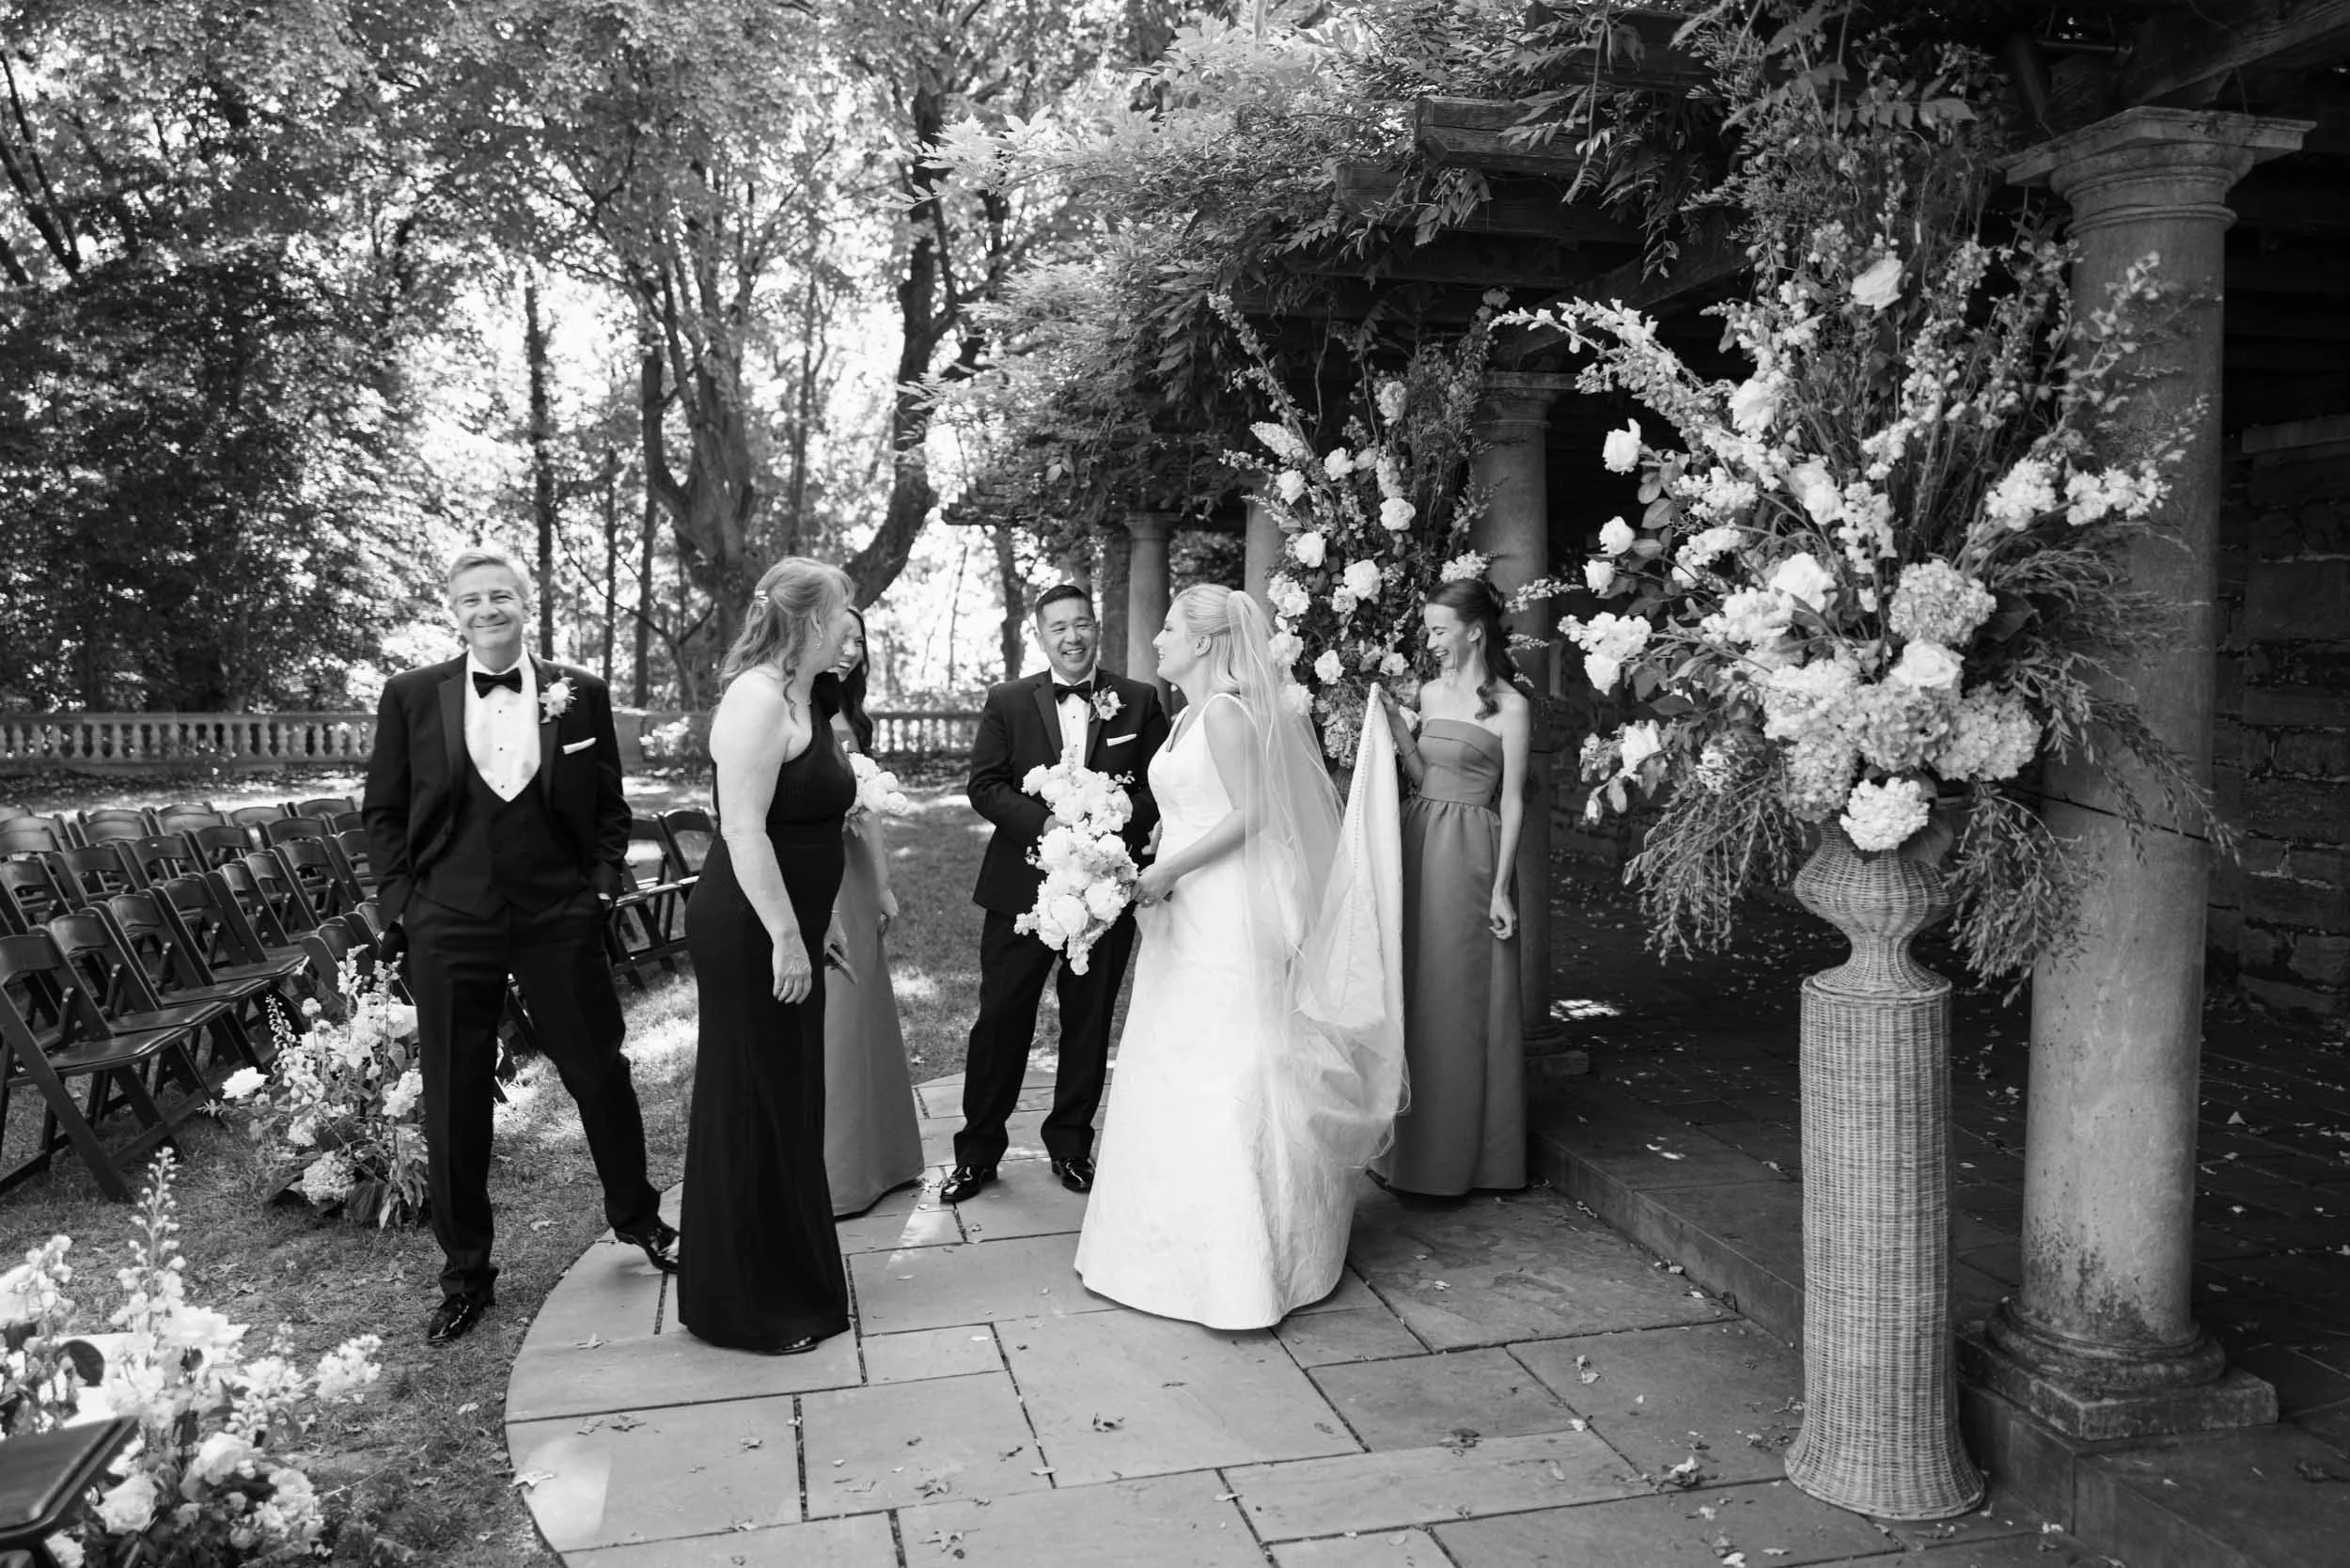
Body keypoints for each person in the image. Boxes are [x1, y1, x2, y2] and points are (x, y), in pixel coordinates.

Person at [363, 547, 676, 1347]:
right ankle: (467, 1275)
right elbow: (385, 812)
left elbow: (609, 802)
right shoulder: (409, 697)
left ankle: (639, 1219)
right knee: (454, 1095)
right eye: (471, 599)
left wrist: (600, 886)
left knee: (599, 1070)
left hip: (555, 915)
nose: (487, 608)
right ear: (453, 611)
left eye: (501, 595)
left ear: (527, 602)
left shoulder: (582, 693)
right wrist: (405, 905)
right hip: (448, 919)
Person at [1076, 584, 1404, 1328]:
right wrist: (1159, 848)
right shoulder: (1188, 714)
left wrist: (1172, 867)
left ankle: (1250, 1265)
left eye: (1167, 629)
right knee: (1172, 1057)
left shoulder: (1223, 712)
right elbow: (1199, 806)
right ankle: (1160, 1255)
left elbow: (1256, 813)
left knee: (1229, 1062)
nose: (1156, 640)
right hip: (1183, 909)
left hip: (1221, 908)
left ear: (1204, 642)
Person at [677, 558, 860, 1355]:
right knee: (753, 1104)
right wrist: (787, 935)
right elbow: (743, 831)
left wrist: (814, 922)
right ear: (810, 622)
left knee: (788, 1103)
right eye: (841, 613)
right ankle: (746, 1305)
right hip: (749, 930)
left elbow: (804, 826)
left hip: (788, 922)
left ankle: (789, 1275)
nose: (849, 628)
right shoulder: (754, 700)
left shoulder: (801, 697)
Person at [944, 584, 1169, 1205]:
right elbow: (985, 786)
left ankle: (1070, 1146)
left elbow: (1156, 788)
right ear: (1040, 637)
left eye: (1081, 624)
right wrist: (1050, 827)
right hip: (1021, 887)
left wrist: (1107, 824)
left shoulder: (1140, 700)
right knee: (1000, 1019)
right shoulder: (1009, 701)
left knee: (1088, 1019)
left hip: (1105, 889)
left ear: (1096, 628)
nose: (1072, 637)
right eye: (1058, 628)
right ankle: (977, 1152)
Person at [1373, 576, 1531, 1196]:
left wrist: (1501, 888)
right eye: (1429, 629)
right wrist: (1395, 722)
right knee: (1416, 989)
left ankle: (1467, 1159)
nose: (1431, 640)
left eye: (1439, 629)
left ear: (1474, 630)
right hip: (1419, 843)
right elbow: (1420, 775)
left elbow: (1513, 802)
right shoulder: (1430, 693)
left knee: (1460, 998)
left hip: (1471, 854)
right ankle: (1404, 1154)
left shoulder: (1512, 707)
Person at [820, 607, 924, 1215]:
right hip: (822, 873)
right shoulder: (796, 708)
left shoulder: (853, 716)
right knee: (837, 1016)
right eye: (842, 637)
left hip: (856, 873)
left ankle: (881, 1160)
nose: (851, 649)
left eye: (860, 639)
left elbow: (868, 814)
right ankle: (837, 1176)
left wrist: (881, 885)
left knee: (864, 1011)